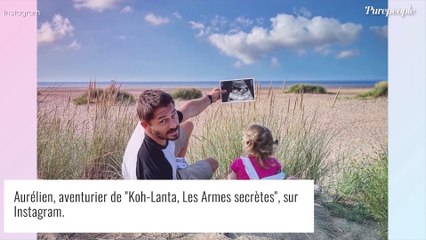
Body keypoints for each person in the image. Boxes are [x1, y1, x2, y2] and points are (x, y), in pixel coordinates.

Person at [122, 88, 224, 179]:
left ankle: (178, 163)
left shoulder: (156, 118)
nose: (174, 124)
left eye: (173, 114)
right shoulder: (156, 169)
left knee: (188, 126)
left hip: (155, 160)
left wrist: (210, 98)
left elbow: (189, 108)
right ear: (145, 125)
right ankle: (178, 172)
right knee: (212, 163)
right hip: (167, 175)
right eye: (163, 121)